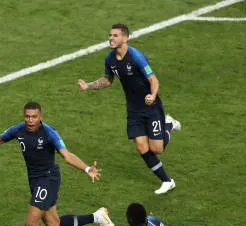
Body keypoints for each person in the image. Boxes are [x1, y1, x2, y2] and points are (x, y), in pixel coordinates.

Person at [77, 23, 181, 195]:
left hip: (151, 107)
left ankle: (168, 124)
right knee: (141, 146)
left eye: (115, 35)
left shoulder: (136, 57)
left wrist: (152, 95)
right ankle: (167, 181)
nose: (111, 38)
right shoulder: (110, 59)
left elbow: (153, 80)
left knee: (157, 149)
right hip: (133, 110)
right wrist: (88, 86)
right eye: (110, 35)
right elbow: (107, 80)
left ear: (125, 38)